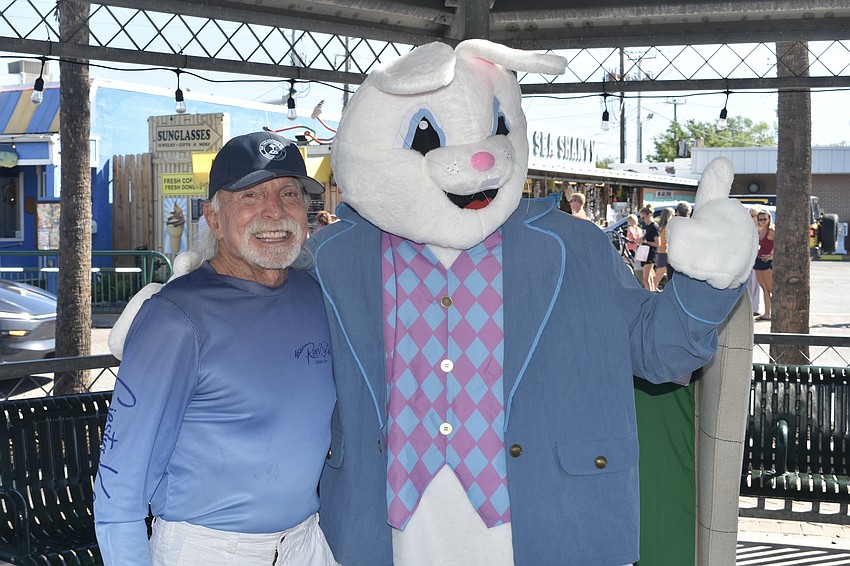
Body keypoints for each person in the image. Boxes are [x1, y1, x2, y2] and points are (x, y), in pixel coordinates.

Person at [94, 131, 338, 566]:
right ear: (213, 217)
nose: (275, 211)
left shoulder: (317, 295)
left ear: (308, 213)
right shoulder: (173, 318)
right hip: (210, 550)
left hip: (308, 543)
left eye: (289, 193)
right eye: (249, 196)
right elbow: (119, 494)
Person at [754, 210, 775, 320]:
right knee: (764, 289)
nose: (762, 221)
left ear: (769, 219)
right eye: (760, 219)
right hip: (758, 261)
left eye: (764, 219)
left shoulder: (771, 231)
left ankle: (774, 312)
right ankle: (767, 313)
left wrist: (772, 256)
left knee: (771, 289)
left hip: (767, 262)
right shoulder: (759, 230)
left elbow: (780, 245)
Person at [639, 204, 660, 291]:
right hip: (646, 254)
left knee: (645, 279)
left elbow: (658, 243)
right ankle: (651, 293)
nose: (643, 220)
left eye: (643, 218)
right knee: (649, 278)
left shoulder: (654, 227)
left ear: (650, 215)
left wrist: (645, 242)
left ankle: (650, 294)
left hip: (650, 254)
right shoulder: (647, 227)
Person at [747, 207, 764, 315]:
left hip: (758, 256)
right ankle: (749, 306)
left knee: (757, 282)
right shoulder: (746, 227)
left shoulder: (761, 229)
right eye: (751, 215)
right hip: (748, 256)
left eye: (754, 215)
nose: (753, 217)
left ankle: (756, 307)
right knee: (748, 282)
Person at [654, 207, 675, 289]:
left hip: (661, 252)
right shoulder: (667, 227)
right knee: (660, 275)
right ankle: (653, 289)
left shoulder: (661, 226)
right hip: (664, 252)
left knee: (660, 275)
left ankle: (654, 289)